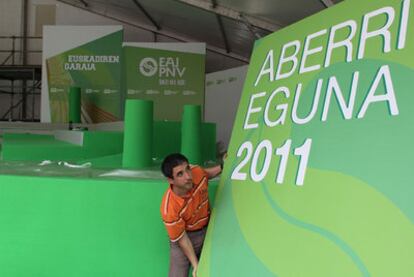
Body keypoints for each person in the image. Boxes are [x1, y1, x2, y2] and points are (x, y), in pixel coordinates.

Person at [160, 153, 223, 277]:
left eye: (187, 168)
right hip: (186, 239)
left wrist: (222, 166)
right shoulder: (169, 209)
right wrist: (195, 264)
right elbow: (183, 240)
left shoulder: (197, 172)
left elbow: (206, 174)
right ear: (171, 180)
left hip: (208, 232)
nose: (188, 176)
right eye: (180, 174)